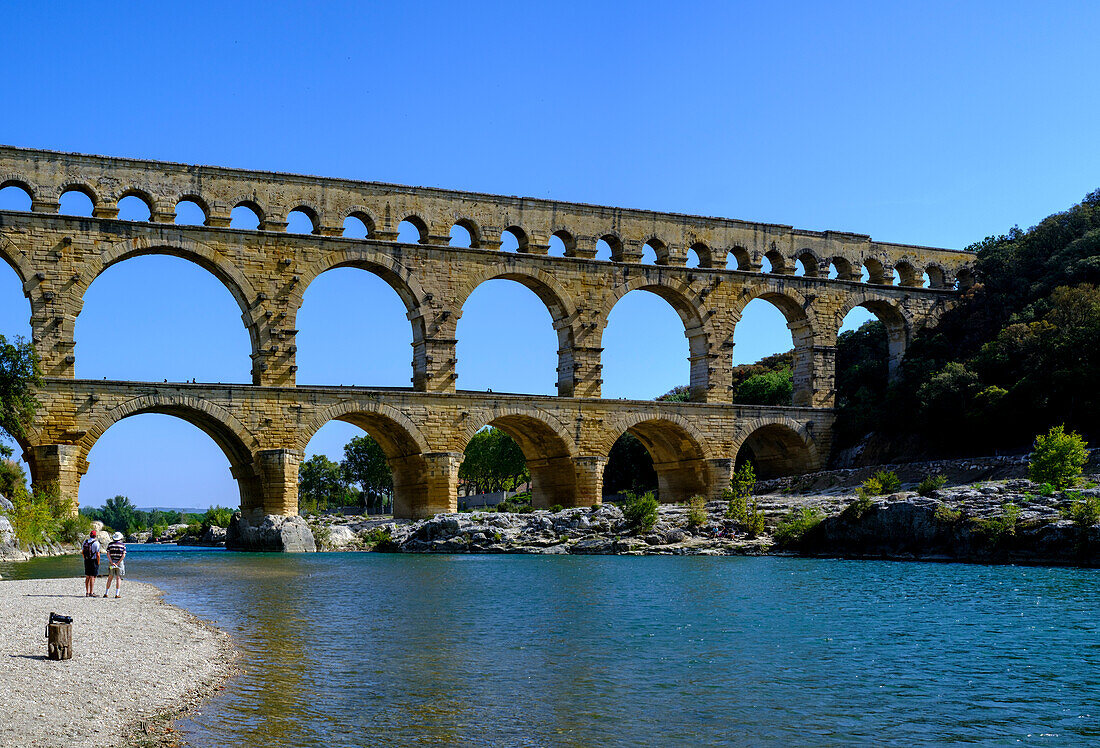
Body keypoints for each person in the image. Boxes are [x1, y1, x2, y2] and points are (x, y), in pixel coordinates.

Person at [104, 532, 126, 598]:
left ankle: (106, 593)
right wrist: (118, 563)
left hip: (111, 562)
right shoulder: (122, 545)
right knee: (118, 578)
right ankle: (117, 594)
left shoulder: (110, 545)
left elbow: (108, 554)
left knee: (110, 577)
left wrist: (111, 562)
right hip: (119, 563)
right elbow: (123, 555)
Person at [81, 530, 100, 597]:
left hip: (86, 560)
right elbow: (98, 554)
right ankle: (91, 592)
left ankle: (87, 592)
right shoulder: (96, 543)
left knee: (87, 576)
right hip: (93, 560)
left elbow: (82, 552)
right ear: (95, 536)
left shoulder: (85, 542)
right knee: (92, 576)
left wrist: (85, 558)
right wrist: (98, 562)